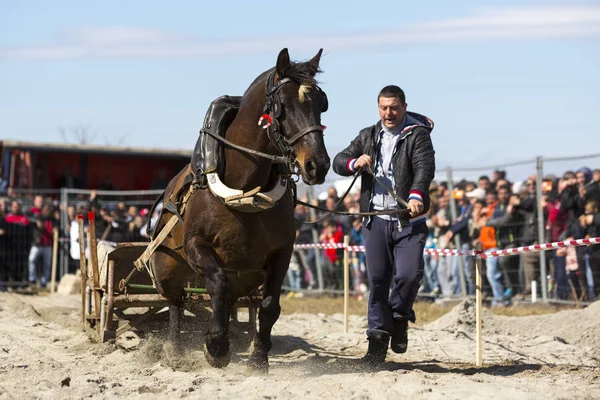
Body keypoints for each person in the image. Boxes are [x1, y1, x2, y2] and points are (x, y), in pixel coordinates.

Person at [333, 85, 435, 363]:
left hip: (408, 219)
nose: (388, 113)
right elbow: (338, 161)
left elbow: (424, 168)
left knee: (409, 275)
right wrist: (355, 162)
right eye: (383, 107)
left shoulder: (417, 135)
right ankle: (377, 342)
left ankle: (399, 317)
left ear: (404, 106)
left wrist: (416, 195)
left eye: (393, 107)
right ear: (378, 107)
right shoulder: (368, 135)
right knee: (377, 282)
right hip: (375, 219)